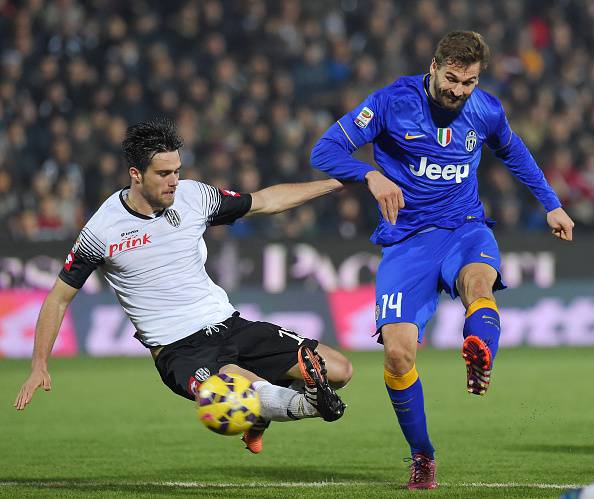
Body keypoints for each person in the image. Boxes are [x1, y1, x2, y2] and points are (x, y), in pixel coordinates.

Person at [310, 31, 574, 489]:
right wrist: (370, 174)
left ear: (478, 80)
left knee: (478, 284)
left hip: (465, 227)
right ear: (433, 66)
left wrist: (550, 202)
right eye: (451, 79)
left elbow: (513, 151)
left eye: (468, 82)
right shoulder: (392, 101)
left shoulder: (486, 110)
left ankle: (480, 351)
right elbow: (324, 150)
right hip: (405, 242)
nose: (457, 90)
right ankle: (422, 455)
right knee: (396, 355)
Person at [14, 118, 352, 455]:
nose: (175, 181)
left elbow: (264, 202)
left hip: (228, 324)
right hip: (179, 349)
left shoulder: (194, 197)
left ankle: (266, 413)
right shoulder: (102, 230)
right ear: (136, 174)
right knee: (240, 388)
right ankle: (300, 404)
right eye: (164, 174)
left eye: (177, 170)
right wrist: (39, 365)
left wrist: (335, 184)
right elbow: (58, 299)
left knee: (339, 370)